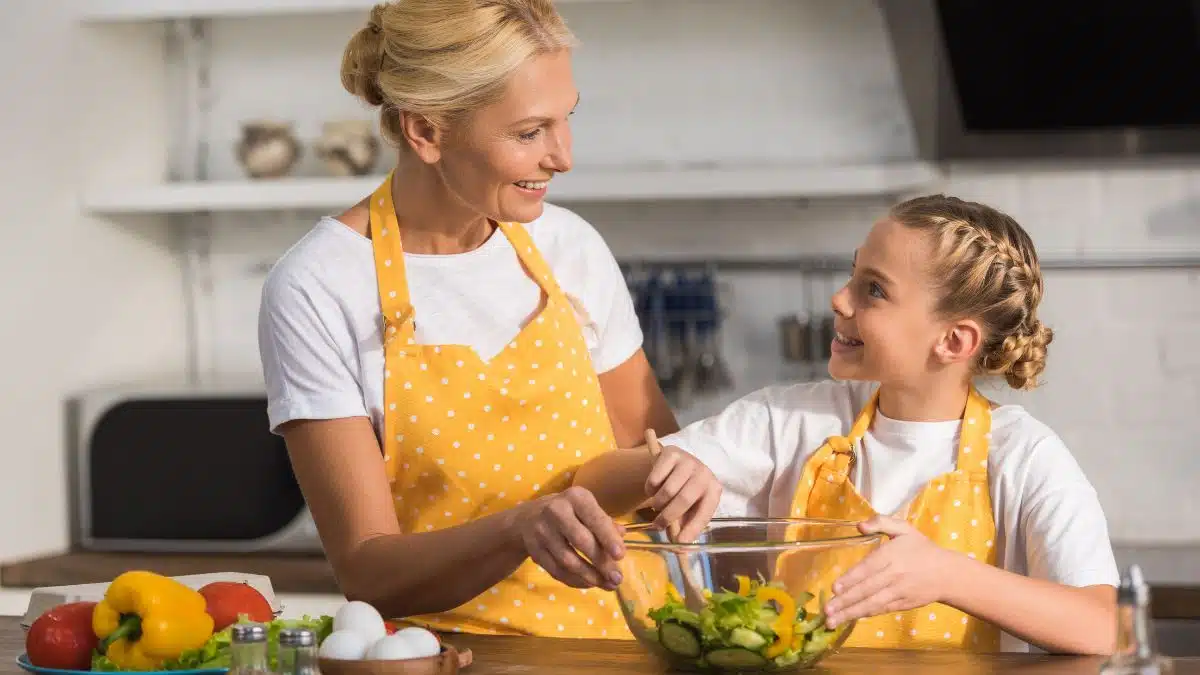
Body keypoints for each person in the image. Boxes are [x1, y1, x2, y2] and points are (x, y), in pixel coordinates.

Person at [257, 0, 719, 639]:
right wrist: (519, 527)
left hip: (624, 645)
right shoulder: (319, 283)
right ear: (426, 131)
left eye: (566, 121)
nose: (563, 157)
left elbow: (633, 467)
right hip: (448, 654)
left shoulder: (569, 247)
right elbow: (367, 572)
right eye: (530, 133)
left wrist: (672, 472)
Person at [584, 195, 1119, 655]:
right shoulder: (792, 421)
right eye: (852, 276)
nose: (839, 300)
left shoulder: (1023, 455)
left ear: (954, 341)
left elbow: (1102, 626)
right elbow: (590, 486)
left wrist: (945, 575)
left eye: (874, 290)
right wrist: (661, 467)